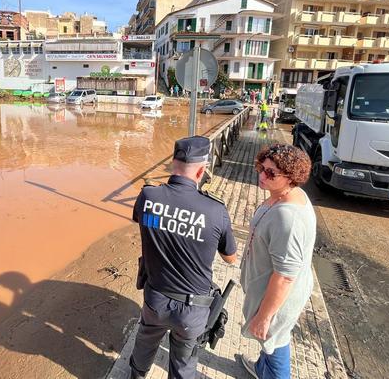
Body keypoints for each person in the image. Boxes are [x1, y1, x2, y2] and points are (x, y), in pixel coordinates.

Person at [130, 136, 238, 379]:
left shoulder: (148, 197)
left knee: (144, 342)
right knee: (184, 363)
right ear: (202, 170)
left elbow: (142, 220)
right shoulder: (215, 210)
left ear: (172, 163)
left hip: (155, 298)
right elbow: (230, 258)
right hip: (193, 311)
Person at [240, 144, 315, 379]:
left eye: (271, 173)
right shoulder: (284, 196)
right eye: (261, 168)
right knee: (270, 345)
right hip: (265, 291)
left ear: (291, 177)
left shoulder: (288, 217)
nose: (262, 175)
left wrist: (264, 317)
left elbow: (284, 277)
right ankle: (262, 369)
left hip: (275, 301)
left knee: (275, 343)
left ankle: (271, 372)